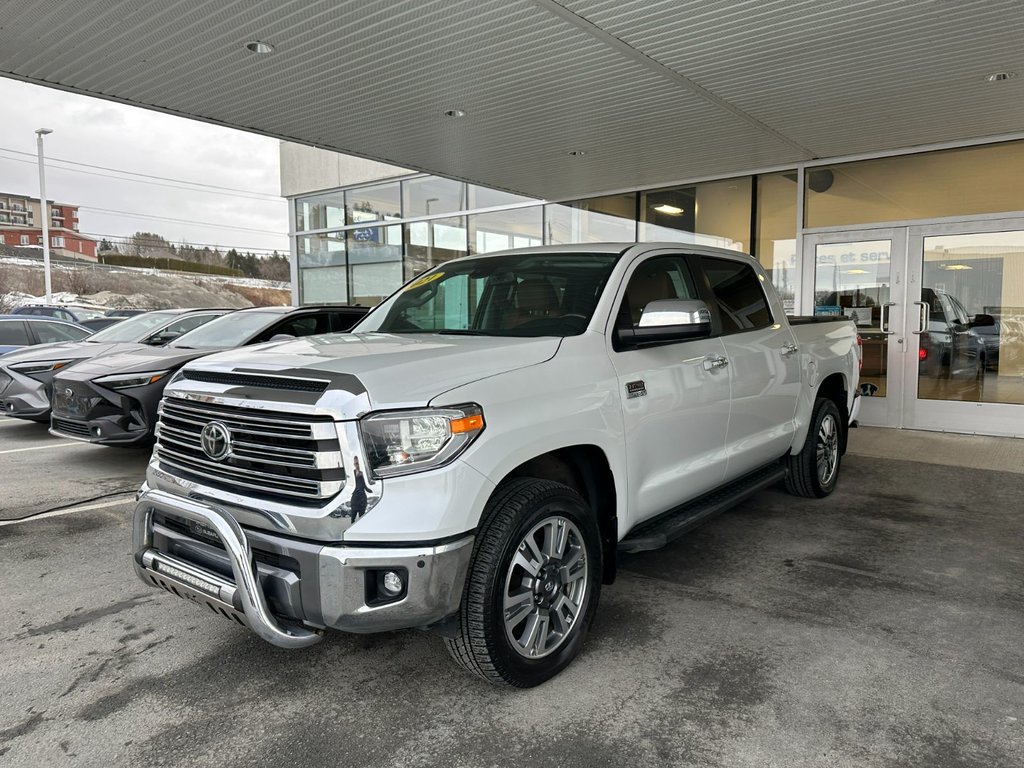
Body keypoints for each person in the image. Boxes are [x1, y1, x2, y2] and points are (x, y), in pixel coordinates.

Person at [349, 456, 368, 524]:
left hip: (362, 498)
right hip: (355, 498)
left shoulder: (364, 474)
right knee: (353, 517)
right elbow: (349, 485)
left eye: (358, 463)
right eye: (356, 463)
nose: (357, 465)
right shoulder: (351, 474)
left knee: (361, 519)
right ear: (354, 464)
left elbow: (366, 487)